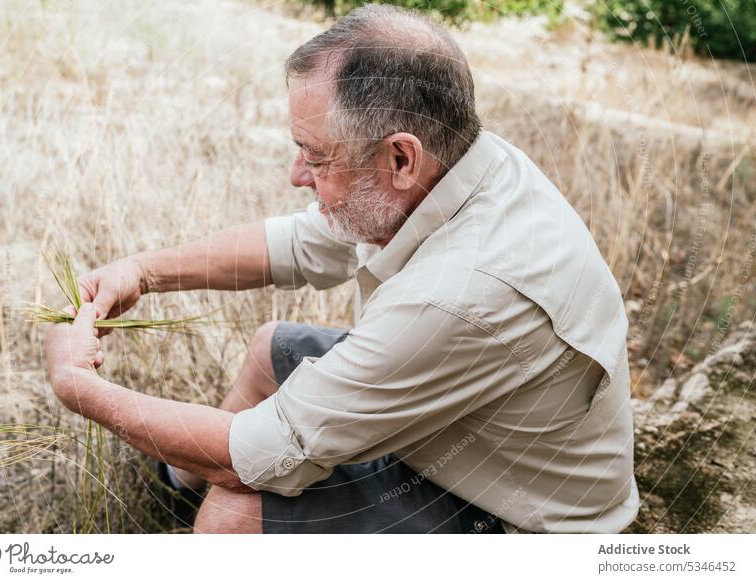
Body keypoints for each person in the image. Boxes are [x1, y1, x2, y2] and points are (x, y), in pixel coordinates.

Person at [43, 3, 639, 534]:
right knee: (268, 350)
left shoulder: (462, 293)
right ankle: (173, 497)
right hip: (469, 432)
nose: (297, 175)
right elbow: (303, 243)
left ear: (400, 157)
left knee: (235, 516)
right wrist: (142, 271)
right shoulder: (458, 160)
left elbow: (260, 453)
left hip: (518, 512)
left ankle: (200, 520)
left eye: (317, 156)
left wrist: (82, 389)